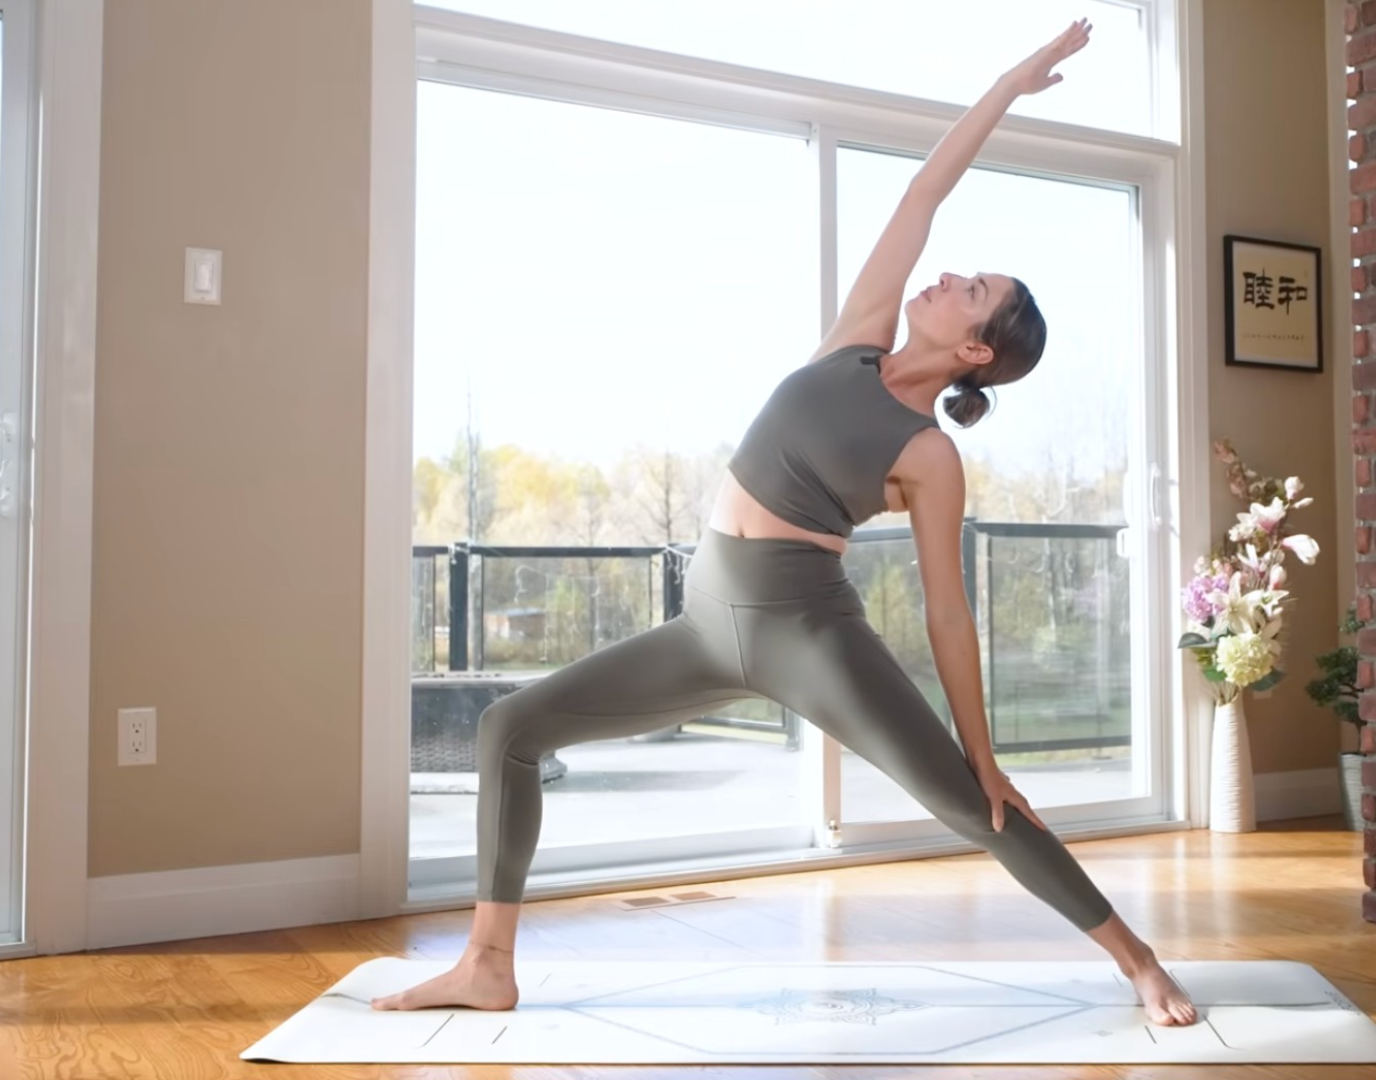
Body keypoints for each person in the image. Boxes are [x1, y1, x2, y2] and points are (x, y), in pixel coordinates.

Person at [374, 19, 1198, 1028]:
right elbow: (921, 193)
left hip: (805, 632)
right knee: (510, 728)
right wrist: (1007, 84)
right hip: (705, 619)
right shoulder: (855, 343)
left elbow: (948, 611)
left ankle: (1138, 961)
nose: (947, 276)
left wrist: (982, 750)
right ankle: (487, 964)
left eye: (972, 288)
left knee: (968, 801)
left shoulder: (928, 454)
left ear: (980, 351)